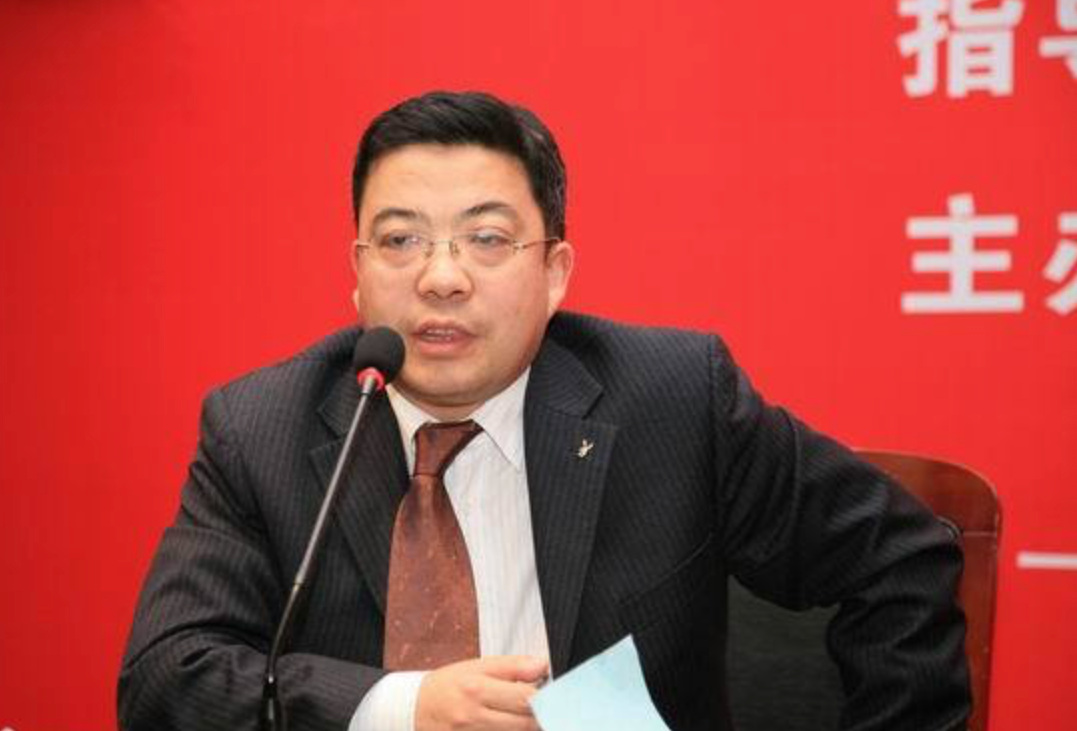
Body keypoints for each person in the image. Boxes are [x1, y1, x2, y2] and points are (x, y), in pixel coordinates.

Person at [118, 91, 970, 731]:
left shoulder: (674, 399)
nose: (441, 277)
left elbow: (899, 559)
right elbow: (164, 679)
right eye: (401, 240)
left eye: (487, 239)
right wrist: (403, 708)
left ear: (555, 272)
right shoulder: (261, 429)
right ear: (358, 273)